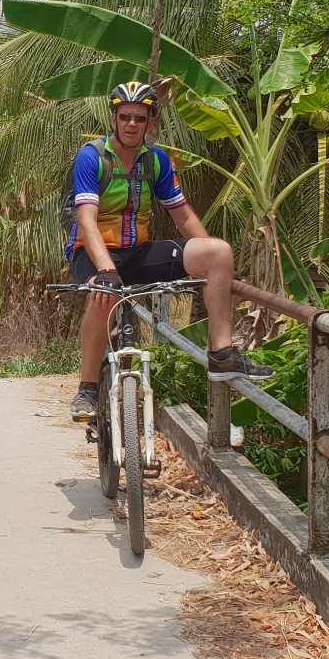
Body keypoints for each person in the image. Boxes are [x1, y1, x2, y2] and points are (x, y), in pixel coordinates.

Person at [65, 81, 268, 424]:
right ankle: (87, 387)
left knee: (218, 252)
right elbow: (86, 220)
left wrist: (206, 258)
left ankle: (221, 353)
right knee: (102, 298)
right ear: (114, 119)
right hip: (95, 253)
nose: (131, 124)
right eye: (125, 116)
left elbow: (183, 214)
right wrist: (106, 271)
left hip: (139, 252)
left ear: (150, 122)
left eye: (139, 118)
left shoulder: (156, 161)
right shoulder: (92, 157)